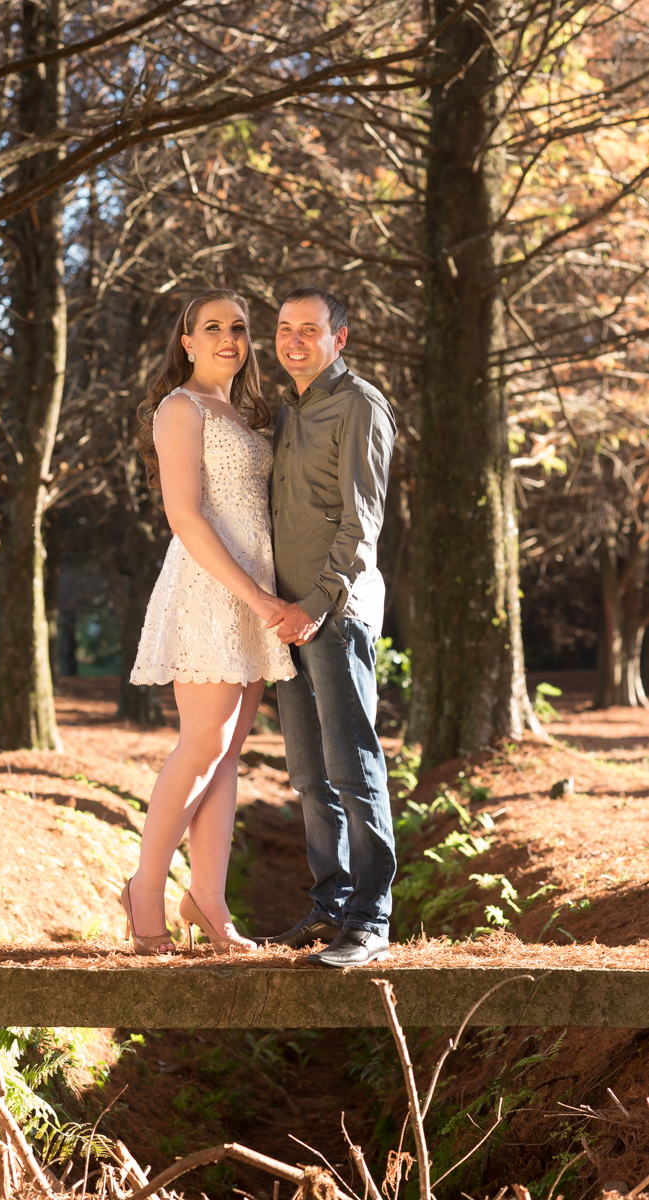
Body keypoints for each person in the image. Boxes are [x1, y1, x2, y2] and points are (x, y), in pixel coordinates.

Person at [123, 289, 294, 956]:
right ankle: (144, 890)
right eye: (212, 327)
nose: (229, 337)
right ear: (187, 342)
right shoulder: (180, 407)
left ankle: (209, 900)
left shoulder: (249, 414)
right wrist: (255, 598)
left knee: (225, 755)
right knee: (201, 744)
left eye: (239, 327)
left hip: (256, 593)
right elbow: (184, 516)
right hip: (211, 589)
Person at [262, 287, 397, 967]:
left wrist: (315, 604)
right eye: (284, 328)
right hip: (285, 620)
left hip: (333, 616)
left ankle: (369, 919)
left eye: (308, 330)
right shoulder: (287, 411)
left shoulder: (359, 405)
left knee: (352, 768)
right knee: (310, 776)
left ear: (338, 339)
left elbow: (360, 524)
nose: (292, 340)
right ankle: (329, 908)